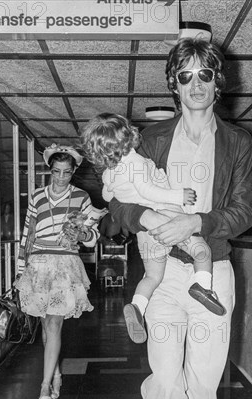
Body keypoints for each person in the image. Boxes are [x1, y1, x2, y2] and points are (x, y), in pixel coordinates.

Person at [108, 38, 252, 399]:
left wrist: (195, 224)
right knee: (166, 386)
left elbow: (242, 211)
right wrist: (149, 215)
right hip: (164, 274)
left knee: (202, 389)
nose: (196, 84)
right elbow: (118, 203)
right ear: (174, 83)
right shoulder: (151, 140)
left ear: (219, 82)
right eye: (186, 75)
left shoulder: (239, 143)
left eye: (205, 75)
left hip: (211, 274)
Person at [81, 113, 226, 344]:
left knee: (153, 276)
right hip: (165, 216)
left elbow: (108, 194)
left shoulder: (110, 173)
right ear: (127, 135)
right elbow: (149, 192)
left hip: (145, 233)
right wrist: (179, 195)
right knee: (202, 251)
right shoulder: (134, 161)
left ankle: (137, 306)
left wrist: (124, 192)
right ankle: (202, 286)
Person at [15, 144, 99, 399]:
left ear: (74, 171)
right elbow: (27, 235)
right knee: (44, 326)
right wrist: (20, 270)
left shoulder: (82, 197)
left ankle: (44, 386)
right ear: (49, 170)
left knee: (53, 324)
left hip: (65, 265)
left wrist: (82, 234)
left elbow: (92, 237)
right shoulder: (37, 197)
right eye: (56, 172)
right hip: (38, 264)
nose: (61, 177)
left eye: (66, 172)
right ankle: (56, 373)